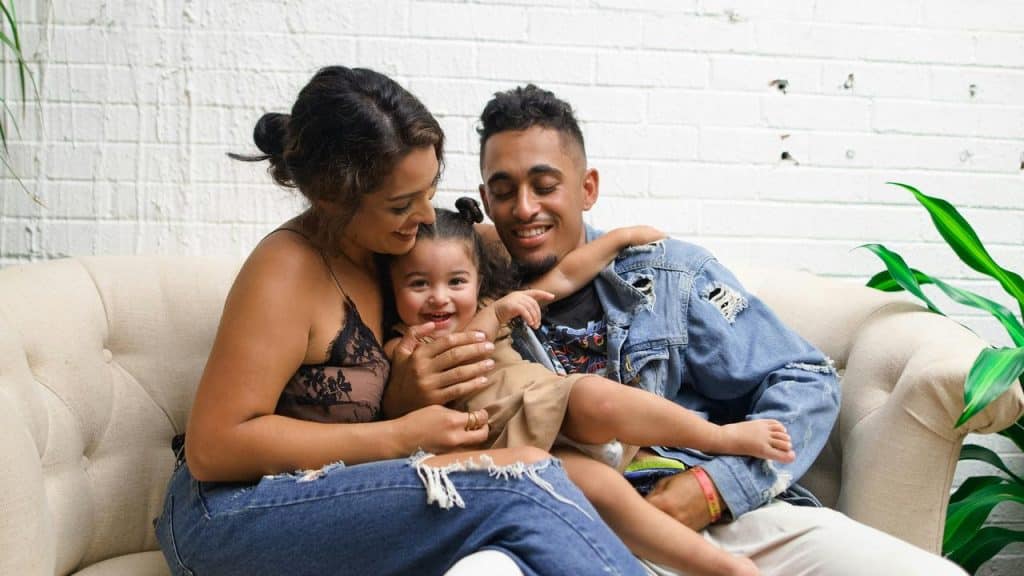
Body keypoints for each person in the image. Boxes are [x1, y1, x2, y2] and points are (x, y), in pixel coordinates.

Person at [436, 83, 962, 575]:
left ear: (587, 187)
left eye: (545, 185)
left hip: (711, 512)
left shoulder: (668, 275)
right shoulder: (461, 294)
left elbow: (804, 378)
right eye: (504, 192)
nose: (524, 208)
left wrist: (714, 488)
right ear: (486, 197)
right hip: (557, 527)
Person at [153, 67, 650, 576]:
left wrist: (638, 247)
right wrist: (400, 435)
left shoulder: (400, 248)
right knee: (518, 484)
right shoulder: (287, 270)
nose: (423, 214)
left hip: (343, 492)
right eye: (400, 204)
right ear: (333, 200)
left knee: (517, 528)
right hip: (229, 515)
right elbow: (214, 448)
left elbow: (539, 242)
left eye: (427, 189)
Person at [384, 199, 798, 575]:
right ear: (393, 287)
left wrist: (620, 238)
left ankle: (720, 436)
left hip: (552, 402)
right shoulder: (404, 345)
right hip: (506, 448)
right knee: (604, 493)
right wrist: (495, 317)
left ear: (477, 282)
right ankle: (722, 567)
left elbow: (565, 275)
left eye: (456, 282)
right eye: (419, 284)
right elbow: (399, 405)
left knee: (598, 397)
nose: (439, 298)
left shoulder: (493, 304)